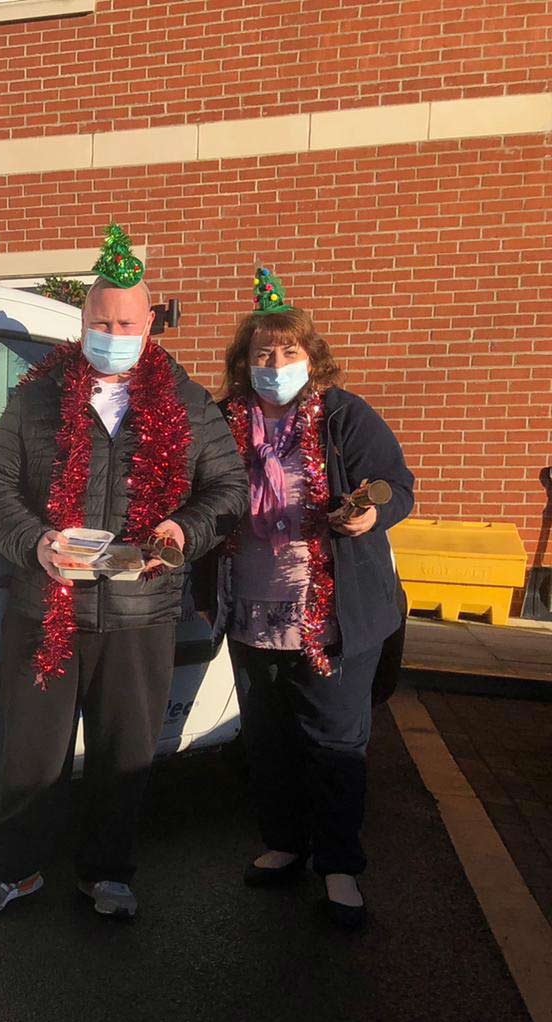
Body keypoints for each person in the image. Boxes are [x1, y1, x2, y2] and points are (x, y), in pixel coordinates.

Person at [0, 224, 247, 920]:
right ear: (82, 322)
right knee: (30, 755)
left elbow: (229, 490)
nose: (112, 333)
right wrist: (35, 542)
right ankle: (11, 869)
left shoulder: (186, 401)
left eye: (125, 323)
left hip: (140, 612)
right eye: (100, 321)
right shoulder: (37, 396)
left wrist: (182, 530)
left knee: (125, 755)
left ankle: (108, 873)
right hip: (47, 604)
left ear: (148, 324)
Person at [217, 268, 413, 930]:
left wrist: (371, 515)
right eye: (262, 353)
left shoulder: (345, 415)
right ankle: (285, 843)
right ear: (244, 360)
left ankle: (338, 865)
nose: (274, 365)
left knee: (334, 743)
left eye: (288, 351)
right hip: (252, 609)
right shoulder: (225, 420)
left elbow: (396, 485)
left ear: (311, 356)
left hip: (331, 613)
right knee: (268, 740)